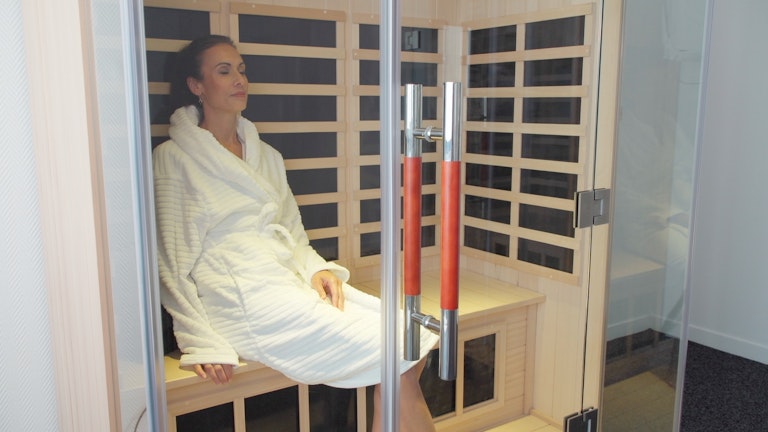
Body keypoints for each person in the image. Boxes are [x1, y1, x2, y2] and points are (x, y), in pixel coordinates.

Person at [153, 34, 438, 431]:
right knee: (399, 353)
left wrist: (316, 271)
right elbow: (171, 261)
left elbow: (293, 234)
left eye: (241, 69)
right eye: (224, 71)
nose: (239, 79)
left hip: (283, 278)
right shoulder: (174, 159)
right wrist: (198, 337)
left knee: (410, 334)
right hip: (236, 294)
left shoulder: (266, 156)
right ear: (196, 86)